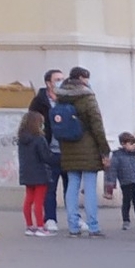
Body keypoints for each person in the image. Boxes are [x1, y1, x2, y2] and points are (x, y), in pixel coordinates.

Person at [53, 65, 107, 236]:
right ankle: (93, 226)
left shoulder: (60, 96)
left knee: (72, 184)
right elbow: (96, 124)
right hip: (88, 145)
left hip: (68, 145)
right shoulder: (87, 96)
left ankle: (73, 226)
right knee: (90, 185)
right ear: (82, 78)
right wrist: (104, 149)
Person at [15, 71, 61, 234]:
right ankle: (41, 226)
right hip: (40, 173)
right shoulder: (39, 138)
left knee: (29, 199)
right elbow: (46, 156)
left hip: (27, 172)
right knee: (39, 199)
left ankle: (30, 226)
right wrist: (56, 160)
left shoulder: (22, 138)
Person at [107, 131, 135, 229]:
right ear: (123, 144)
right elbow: (112, 170)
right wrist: (110, 185)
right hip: (125, 182)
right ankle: (126, 220)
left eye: (133, 144)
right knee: (126, 201)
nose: (132, 146)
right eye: (130, 144)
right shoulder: (117, 155)